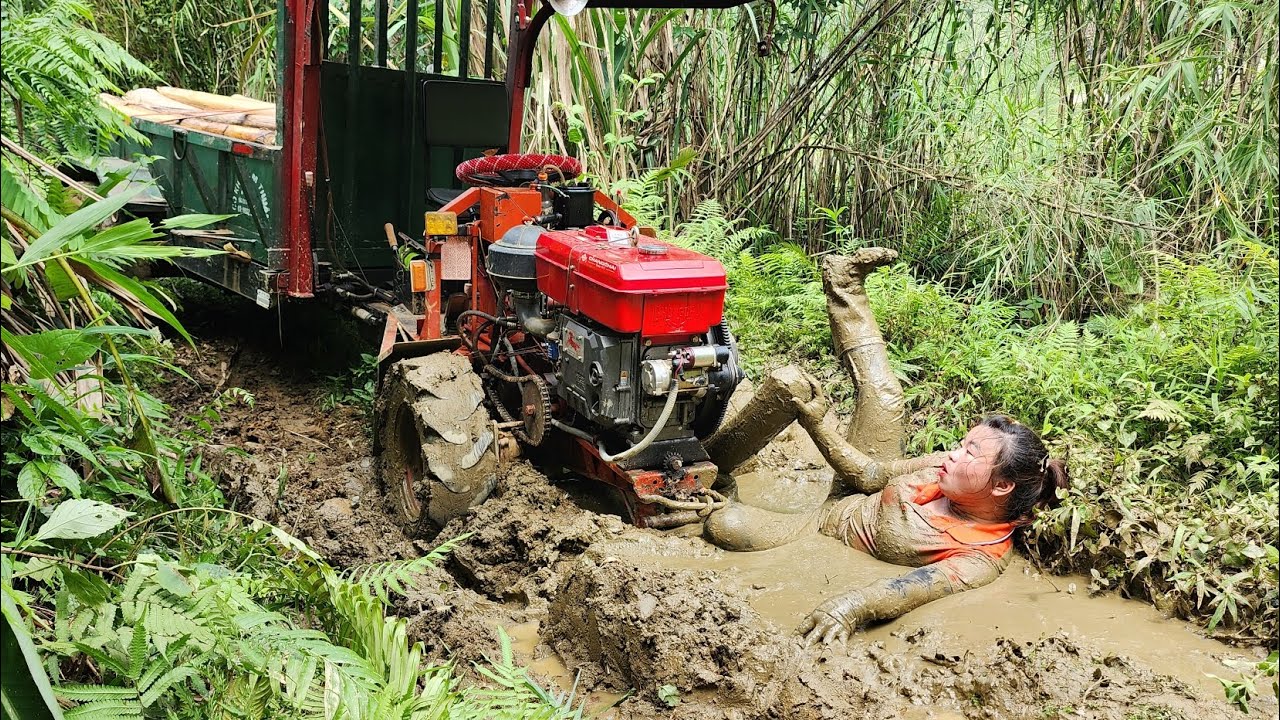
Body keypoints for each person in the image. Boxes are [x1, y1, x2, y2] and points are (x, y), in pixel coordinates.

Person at [702, 248, 1070, 645]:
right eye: (962, 444)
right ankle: (845, 285)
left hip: (818, 530)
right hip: (855, 488)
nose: (953, 454)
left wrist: (845, 608)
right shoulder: (947, 469)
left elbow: (907, 590)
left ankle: (707, 483)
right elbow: (869, 475)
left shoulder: (980, 559)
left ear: (1001, 486)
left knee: (725, 524)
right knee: (883, 397)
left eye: (971, 454)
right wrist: (816, 422)